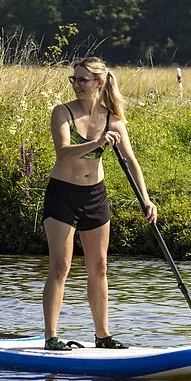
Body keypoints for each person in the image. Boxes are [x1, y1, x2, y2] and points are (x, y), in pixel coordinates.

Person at [41, 56, 157, 350]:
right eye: (74, 79)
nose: (77, 85)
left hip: (95, 195)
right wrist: (97, 143)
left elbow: (130, 160)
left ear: (99, 83)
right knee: (60, 266)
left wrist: (145, 199)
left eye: (83, 80)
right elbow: (64, 153)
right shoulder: (62, 112)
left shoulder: (112, 118)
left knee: (100, 267)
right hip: (63, 195)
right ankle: (51, 337)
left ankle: (103, 336)